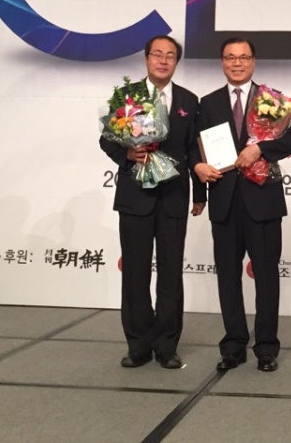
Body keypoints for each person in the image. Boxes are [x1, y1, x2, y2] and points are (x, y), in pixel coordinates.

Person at [193, 36, 291, 373]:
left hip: (263, 201)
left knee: (266, 275)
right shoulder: (208, 102)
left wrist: (260, 149)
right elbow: (196, 148)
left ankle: (266, 347)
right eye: (230, 57)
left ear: (253, 61)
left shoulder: (271, 100)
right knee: (227, 275)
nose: (237, 63)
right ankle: (233, 346)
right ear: (222, 62)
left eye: (243, 57)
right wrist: (198, 171)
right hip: (224, 201)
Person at [99, 35, 206, 369]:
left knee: (171, 273)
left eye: (170, 56)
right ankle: (138, 345)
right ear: (146, 59)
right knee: (135, 272)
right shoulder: (126, 96)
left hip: (174, 196)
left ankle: (167, 345)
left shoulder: (189, 100)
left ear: (177, 62)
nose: (163, 60)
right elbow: (107, 140)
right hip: (136, 196)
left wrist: (200, 193)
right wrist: (127, 154)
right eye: (157, 54)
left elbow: (193, 149)